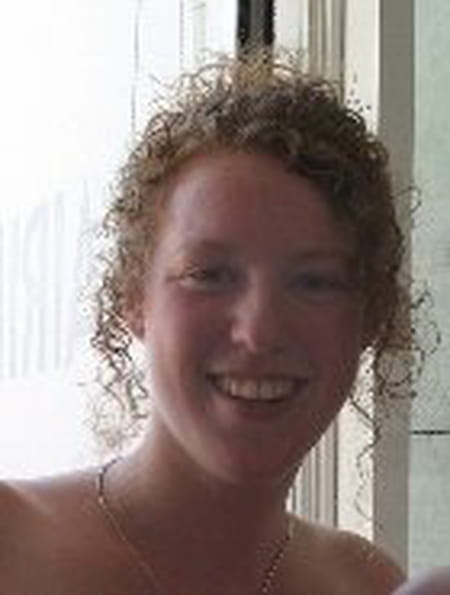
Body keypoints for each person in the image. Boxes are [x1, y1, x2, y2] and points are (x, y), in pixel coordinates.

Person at [0, 51, 408, 594]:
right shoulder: (12, 541)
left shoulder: (367, 584)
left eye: (314, 281)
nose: (259, 332)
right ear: (133, 297)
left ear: (370, 316)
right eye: (209, 275)